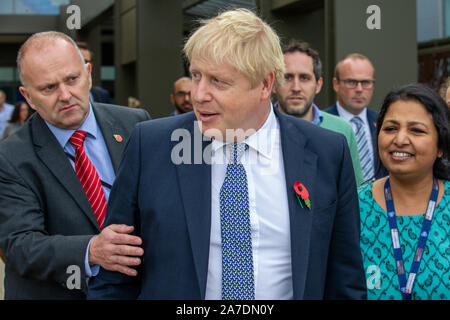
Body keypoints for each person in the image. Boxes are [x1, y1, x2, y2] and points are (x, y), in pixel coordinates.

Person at [88, 9, 366, 300]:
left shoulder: (327, 152)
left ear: (265, 84)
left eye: (218, 81)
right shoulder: (152, 146)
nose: (198, 94)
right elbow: (115, 276)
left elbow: (344, 278)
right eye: (196, 76)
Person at [0, 31, 150, 299]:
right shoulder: (10, 157)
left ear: (89, 74)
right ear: (28, 96)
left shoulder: (136, 125)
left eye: (72, 79)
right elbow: (20, 245)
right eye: (49, 88)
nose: (65, 95)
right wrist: (92, 250)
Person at [359, 83, 450, 300]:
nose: (399, 140)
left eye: (416, 130)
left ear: (440, 146)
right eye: (390, 128)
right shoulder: (353, 206)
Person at [273, 39, 364, 186]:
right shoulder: (259, 128)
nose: (296, 87)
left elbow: (356, 192)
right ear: (273, 84)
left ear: (318, 85)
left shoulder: (342, 130)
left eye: (304, 78)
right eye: (287, 77)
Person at [325, 54, 387, 181]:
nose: (359, 89)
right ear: (336, 84)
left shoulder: (383, 122)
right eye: (351, 82)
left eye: (366, 83)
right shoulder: (320, 122)